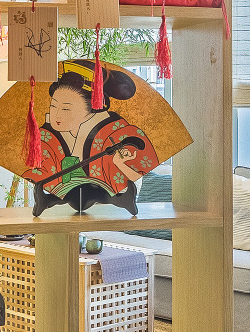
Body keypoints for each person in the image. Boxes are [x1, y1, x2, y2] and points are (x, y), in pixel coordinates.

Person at [28, 60, 158, 219]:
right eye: (53, 106)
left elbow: (136, 173)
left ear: (93, 107)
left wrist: (119, 163)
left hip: (106, 209)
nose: (57, 115)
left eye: (66, 108)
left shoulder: (121, 134)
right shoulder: (44, 137)